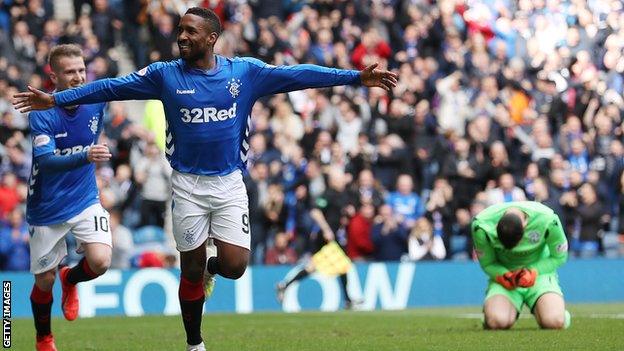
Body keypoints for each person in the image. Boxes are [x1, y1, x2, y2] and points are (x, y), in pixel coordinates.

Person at [13, 8, 397, 351]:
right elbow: (113, 86)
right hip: (187, 185)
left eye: (190, 32)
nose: (181, 36)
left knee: (233, 266)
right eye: (180, 30)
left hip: (229, 182)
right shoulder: (164, 76)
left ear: (212, 38)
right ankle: (194, 344)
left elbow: (298, 75)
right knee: (190, 268)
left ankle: (214, 272)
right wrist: (60, 99)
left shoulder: (244, 72)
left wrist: (355, 77)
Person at [24, 44, 113, 351]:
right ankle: (44, 338)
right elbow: (47, 162)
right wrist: (86, 155)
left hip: (84, 196)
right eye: (69, 72)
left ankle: (71, 279)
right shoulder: (42, 112)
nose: (77, 77)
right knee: (43, 282)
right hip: (46, 205)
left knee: (100, 261)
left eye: (81, 70)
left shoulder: (96, 99)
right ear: (54, 77)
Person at [471, 201, 571, 330]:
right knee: (496, 322)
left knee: (554, 322)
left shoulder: (548, 220)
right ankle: (492, 314)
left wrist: (533, 272)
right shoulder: (482, 226)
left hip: (539, 276)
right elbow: (488, 263)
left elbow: (559, 257)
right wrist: (503, 275)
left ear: (525, 225)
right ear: (496, 226)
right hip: (506, 278)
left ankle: (560, 314)